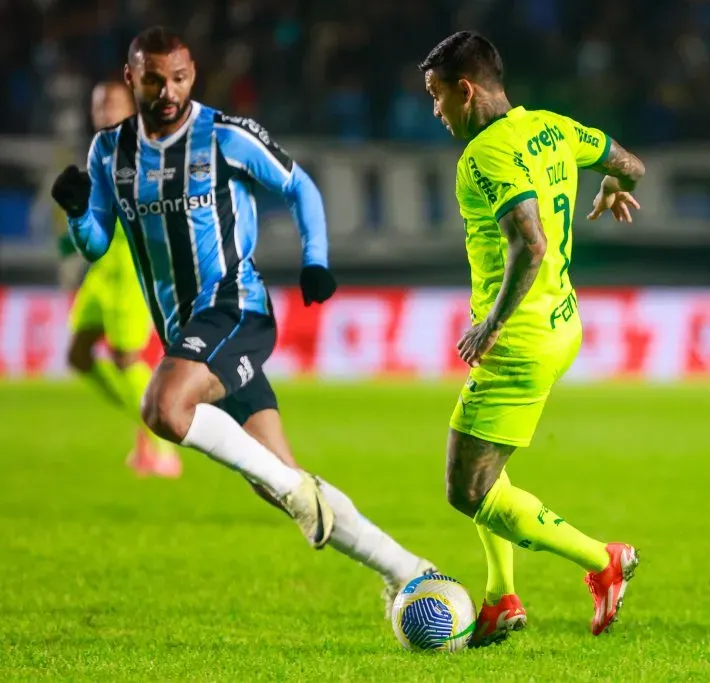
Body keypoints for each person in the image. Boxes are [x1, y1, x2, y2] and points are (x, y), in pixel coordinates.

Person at [50, 26, 434, 615]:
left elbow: (298, 185)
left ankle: (295, 489)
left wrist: (316, 261)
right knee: (279, 480)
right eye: (154, 78)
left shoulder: (222, 135)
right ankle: (408, 570)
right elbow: (97, 243)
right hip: (186, 330)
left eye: (178, 77)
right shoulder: (110, 152)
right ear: (132, 79)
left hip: (236, 309)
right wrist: (79, 212)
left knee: (164, 407)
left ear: (192, 75)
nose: (168, 90)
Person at [418, 31, 646, 646]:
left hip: (517, 338)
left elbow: (531, 242)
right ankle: (500, 599)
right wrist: (610, 184)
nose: (435, 111)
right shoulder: (550, 127)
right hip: (562, 322)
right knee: (490, 472)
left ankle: (603, 560)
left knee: (465, 489)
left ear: (466, 90)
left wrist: (489, 325)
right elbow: (630, 164)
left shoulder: (483, 156)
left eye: (438, 97)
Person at [60, 81, 181, 478]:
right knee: (78, 355)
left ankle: (163, 447)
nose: (103, 112)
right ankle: (145, 417)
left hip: (131, 267)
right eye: (98, 106)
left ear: (131, 109)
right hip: (102, 269)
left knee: (126, 358)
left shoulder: (145, 151)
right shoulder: (99, 152)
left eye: (111, 104)